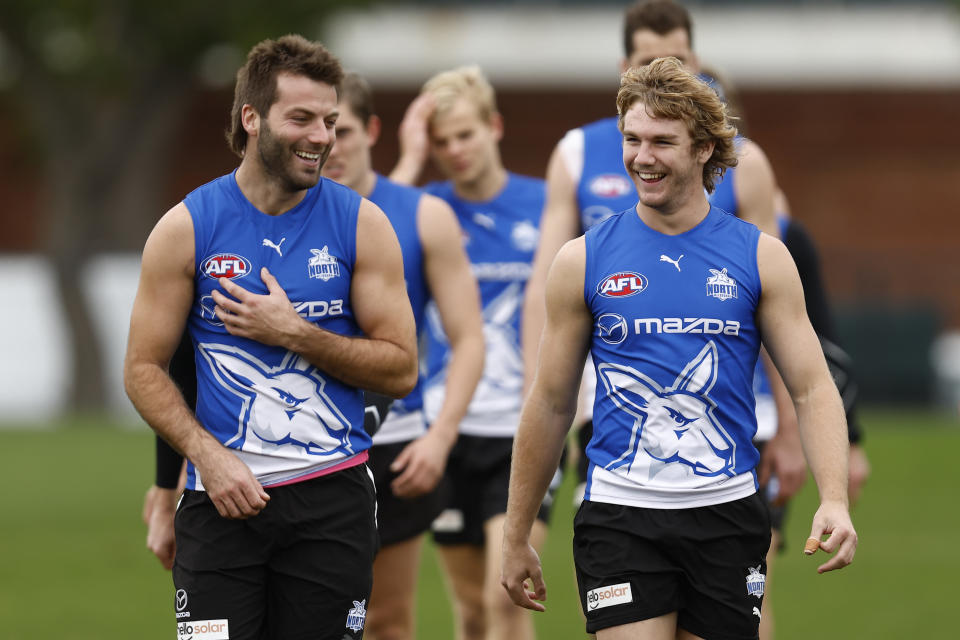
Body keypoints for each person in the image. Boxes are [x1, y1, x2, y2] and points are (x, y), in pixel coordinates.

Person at [501, 57, 857, 640]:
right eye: (632, 139)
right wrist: (516, 535)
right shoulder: (582, 260)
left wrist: (834, 499)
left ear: (704, 150)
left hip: (728, 513)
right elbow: (550, 403)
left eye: (663, 141)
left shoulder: (761, 256)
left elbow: (813, 387)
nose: (642, 157)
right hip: (620, 515)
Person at [123, 34, 418, 640]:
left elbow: (400, 368)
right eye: (302, 118)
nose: (321, 137)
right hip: (220, 500)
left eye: (330, 121)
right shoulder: (186, 228)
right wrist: (206, 458)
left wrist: (298, 333)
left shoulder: (362, 224)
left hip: (331, 501)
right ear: (252, 119)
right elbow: (143, 368)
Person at [390, 66, 557, 640]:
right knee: (471, 611)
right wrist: (409, 160)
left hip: (521, 427)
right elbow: (362, 234)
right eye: (441, 141)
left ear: (494, 126)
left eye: (465, 134)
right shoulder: (423, 208)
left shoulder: (546, 205)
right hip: (446, 428)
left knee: (505, 597)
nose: (454, 151)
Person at [321, 72, 486, 640]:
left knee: (386, 620)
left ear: (370, 130)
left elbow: (469, 338)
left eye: (341, 130)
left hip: (395, 446)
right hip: (303, 445)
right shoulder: (285, 211)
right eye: (316, 129)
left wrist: (440, 437)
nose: (328, 145)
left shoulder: (422, 216)